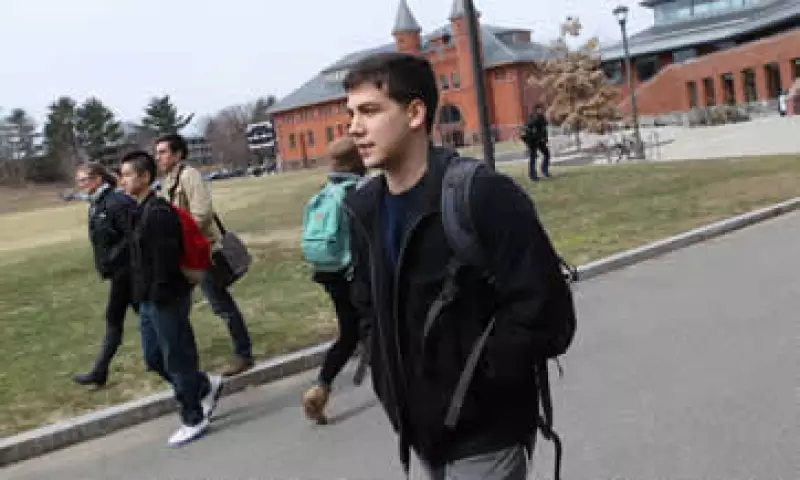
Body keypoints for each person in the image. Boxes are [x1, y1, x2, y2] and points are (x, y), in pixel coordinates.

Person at [343, 52, 575, 479]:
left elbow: (547, 311)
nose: (354, 127)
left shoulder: (482, 195)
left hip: (485, 435)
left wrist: (480, 387)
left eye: (370, 111)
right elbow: (367, 310)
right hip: (420, 434)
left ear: (415, 112)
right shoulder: (364, 210)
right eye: (351, 113)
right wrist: (386, 375)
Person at [118, 150, 223, 446]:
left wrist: (158, 295)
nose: (122, 180)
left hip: (167, 298)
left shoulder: (159, 213)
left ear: (145, 177)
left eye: (127, 174)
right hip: (148, 300)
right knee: (153, 358)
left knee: (177, 358)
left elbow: (165, 263)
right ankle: (203, 386)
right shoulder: (136, 211)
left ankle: (193, 417)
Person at [155, 134, 254, 377]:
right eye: (157, 153)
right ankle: (178, 356)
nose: (158, 157)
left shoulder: (189, 176)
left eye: (163, 152)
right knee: (180, 305)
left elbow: (202, 214)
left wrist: (178, 238)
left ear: (178, 154)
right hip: (186, 254)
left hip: (204, 252)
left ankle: (244, 354)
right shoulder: (168, 181)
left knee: (221, 305)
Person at [301, 137, 368, 425]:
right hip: (359, 275)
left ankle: (321, 386)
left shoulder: (323, 194)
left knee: (349, 334)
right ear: (358, 160)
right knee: (380, 328)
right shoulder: (361, 192)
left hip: (331, 274)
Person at [72, 162, 138, 387]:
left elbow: (132, 236)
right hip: (120, 273)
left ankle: (100, 371)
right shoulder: (97, 203)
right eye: (79, 181)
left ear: (98, 179)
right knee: (142, 317)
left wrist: (113, 259)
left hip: (128, 272)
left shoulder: (116, 202)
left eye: (84, 180)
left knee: (118, 318)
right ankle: (100, 371)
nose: (80, 185)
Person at [522, 104, 551, 181]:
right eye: (540, 109)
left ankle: (544, 171)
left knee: (547, 154)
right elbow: (528, 128)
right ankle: (532, 176)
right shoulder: (533, 117)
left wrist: (545, 139)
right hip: (532, 140)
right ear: (537, 110)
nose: (542, 111)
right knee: (533, 158)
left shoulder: (542, 118)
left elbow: (544, 129)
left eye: (542, 109)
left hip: (539, 140)